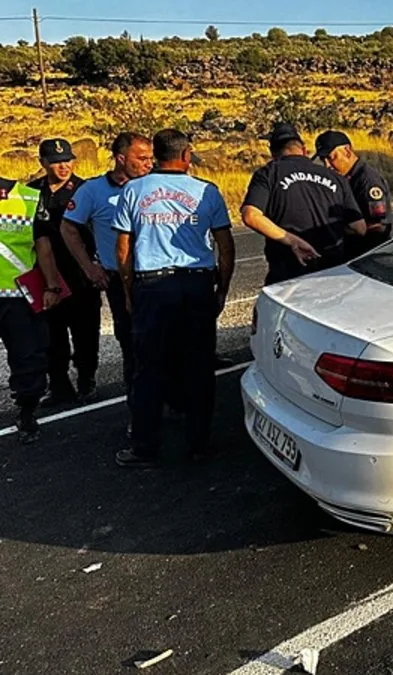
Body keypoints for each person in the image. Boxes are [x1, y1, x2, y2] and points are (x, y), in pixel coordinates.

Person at [112, 129, 235, 468]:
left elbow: (123, 248)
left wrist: (128, 290)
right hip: (195, 284)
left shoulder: (133, 190)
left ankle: (144, 447)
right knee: (198, 365)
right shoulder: (206, 191)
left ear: (155, 154)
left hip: (152, 285)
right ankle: (199, 444)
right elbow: (224, 244)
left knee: (149, 368)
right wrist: (222, 287)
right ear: (186, 156)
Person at [61, 132, 154, 420]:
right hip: (120, 280)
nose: (149, 164)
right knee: (132, 346)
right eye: (142, 159)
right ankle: (138, 413)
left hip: (158, 277)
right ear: (121, 158)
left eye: (151, 158)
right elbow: (69, 227)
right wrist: (89, 267)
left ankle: (171, 403)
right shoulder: (92, 190)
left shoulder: (154, 185)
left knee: (163, 343)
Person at [241, 123, 366, 285]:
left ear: (273, 153)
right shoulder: (336, 178)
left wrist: (292, 240)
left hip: (288, 273)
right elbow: (359, 227)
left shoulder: (269, 174)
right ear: (304, 150)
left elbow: (251, 215)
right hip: (332, 272)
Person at [27, 139, 96, 406]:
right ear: (42, 163)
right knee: (50, 336)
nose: (63, 165)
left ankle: (86, 379)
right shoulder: (31, 193)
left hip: (79, 273)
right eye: (56, 161)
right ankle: (59, 385)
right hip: (45, 275)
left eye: (68, 159)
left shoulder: (85, 190)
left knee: (85, 332)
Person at [0, 174, 63, 443]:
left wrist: (52, 286)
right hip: (17, 297)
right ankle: (27, 416)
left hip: (18, 295)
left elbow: (43, 246)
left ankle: (27, 412)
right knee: (27, 357)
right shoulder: (27, 196)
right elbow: (43, 247)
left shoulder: (28, 197)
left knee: (28, 358)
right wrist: (51, 286)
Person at [313, 130, 392, 259]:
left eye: (331, 157)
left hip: (367, 255)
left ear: (347, 151)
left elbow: (379, 227)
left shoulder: (367, 180)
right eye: (323, 160)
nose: (327, 165)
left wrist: (340, 230)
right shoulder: (343, 179)